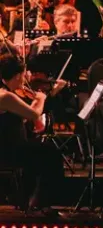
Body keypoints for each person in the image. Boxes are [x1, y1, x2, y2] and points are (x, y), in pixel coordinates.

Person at [0, 53, 66, 216]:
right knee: (51, 153)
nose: (25, 79)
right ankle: (40, 202)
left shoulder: (6, 93)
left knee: (39, 150)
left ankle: (29, 200)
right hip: (9, 149)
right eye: (23, 75)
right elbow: (34, 114)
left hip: (12, 145)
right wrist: (41, 98)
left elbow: (18, 117)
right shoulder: (6, 96)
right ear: (16, 76)